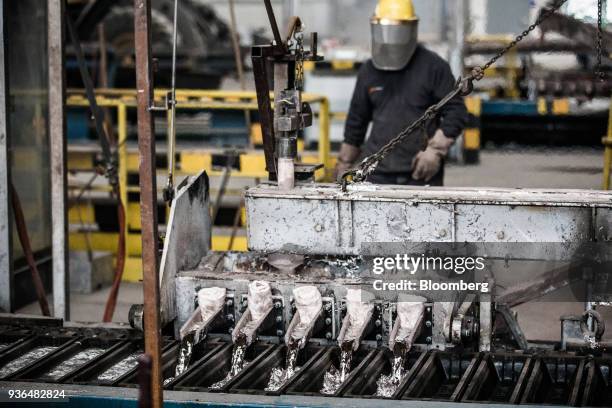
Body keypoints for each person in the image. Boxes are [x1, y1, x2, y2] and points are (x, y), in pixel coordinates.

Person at [335, 0, 468, 186]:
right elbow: (357, 121)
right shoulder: (369, 70)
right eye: (386, 31)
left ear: (412, 29)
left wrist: (435, 151)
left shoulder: (434, 67)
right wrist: (345, 162)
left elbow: (456, 112)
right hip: (376, 174)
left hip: (420, 174)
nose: (391, 38)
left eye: (398, 31)